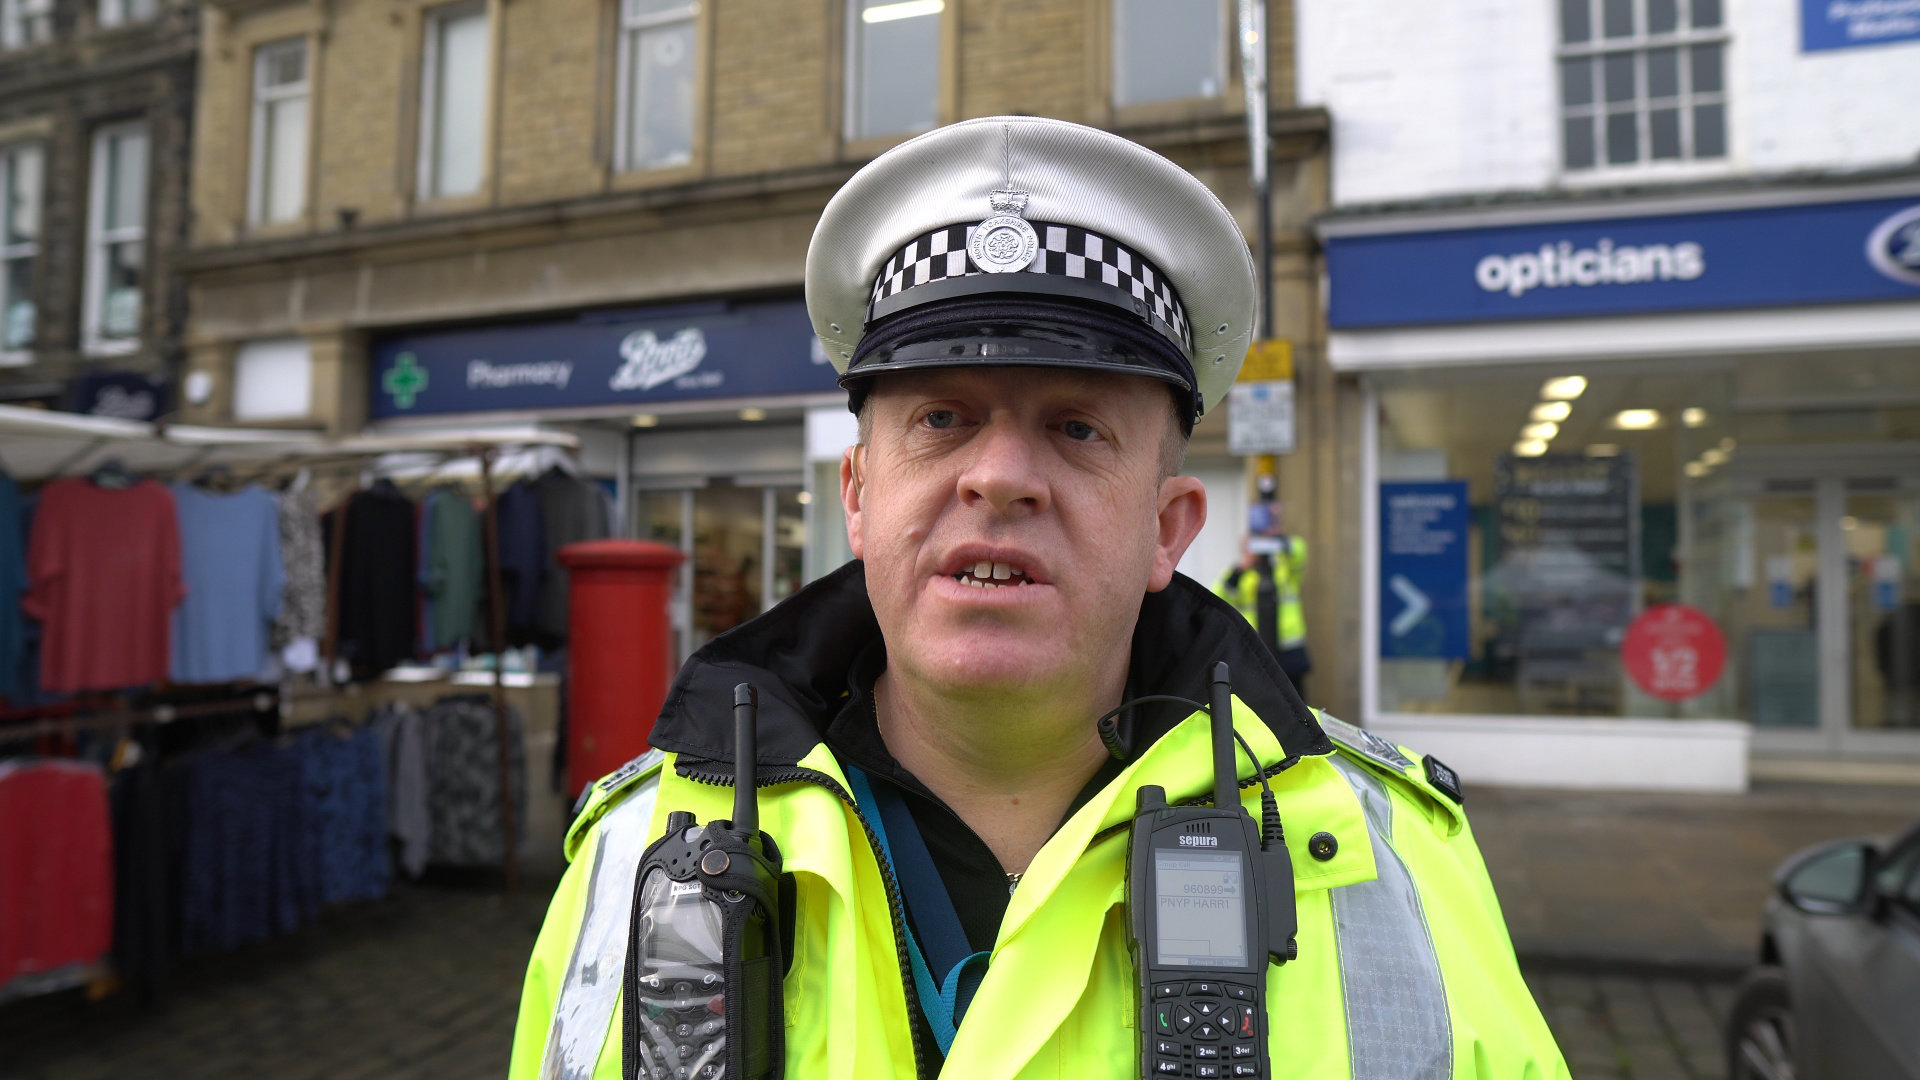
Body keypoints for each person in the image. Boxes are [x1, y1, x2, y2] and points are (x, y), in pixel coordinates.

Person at [510, 116, 1565, 1079]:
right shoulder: (633, 850)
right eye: (942, 419)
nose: (1000, 474)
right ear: (860, 497)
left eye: (1076, 427)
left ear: (1168, 528)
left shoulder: (1400, 860)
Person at [1217, 476, 1312, 701]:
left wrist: (1276, 533)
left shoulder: (1284, 565)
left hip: (1289, 648)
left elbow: (1299, 551)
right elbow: (1220, 593)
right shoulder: (1240, 573)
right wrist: (1242, 567)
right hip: (1258, 649)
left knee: (1298, 703)